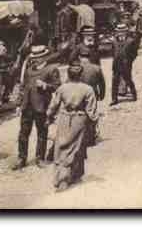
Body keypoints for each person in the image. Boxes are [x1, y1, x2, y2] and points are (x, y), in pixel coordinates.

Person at [46, 62, 99, 191]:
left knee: (62, 147)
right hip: (80, 120)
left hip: (64, 119)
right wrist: (95, 122)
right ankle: (71, 176)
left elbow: (54, 105)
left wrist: (49, 116)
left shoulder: (62, 88)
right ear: (80, 75)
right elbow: (91, 110)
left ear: (69, 75)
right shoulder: (87, 89)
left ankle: (62, 178)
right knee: (77, 148)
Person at [12, 45, 61, 170]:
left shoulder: (51, 69)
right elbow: (23, 88)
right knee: (23, 133)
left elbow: (57, 86)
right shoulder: (28, 70)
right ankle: (21, 158)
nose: (36, 60)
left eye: (39, 57)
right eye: (34, 57)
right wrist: (19, 104)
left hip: (42, 106)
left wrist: (45, 85)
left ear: (44, 57)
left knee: (42, 133)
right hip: (27, 107)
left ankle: (40, 158)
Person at [78, 46, 106, 147]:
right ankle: (90, 138)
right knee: (91, 115)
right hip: (92, 95)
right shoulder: (96, 68)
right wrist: (102, 95)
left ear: (80, 57)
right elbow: (102, 83)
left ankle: (81, 137)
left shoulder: (76, 68)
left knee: (80, 115)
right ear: (89, 57)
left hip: (78, 94)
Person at [111, 27, 139, 105]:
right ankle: (114, 99)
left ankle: (134, 95)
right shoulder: (114, 41)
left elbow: (134, 53)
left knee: (128, 80)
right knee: (114, 82)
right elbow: (112, 51)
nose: (120, 33)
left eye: (122, 31)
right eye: (118, 31)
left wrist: (129, 61)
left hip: (126, 64)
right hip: (116, 64)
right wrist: (115, 58)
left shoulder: (130, 41)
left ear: (126, 32)